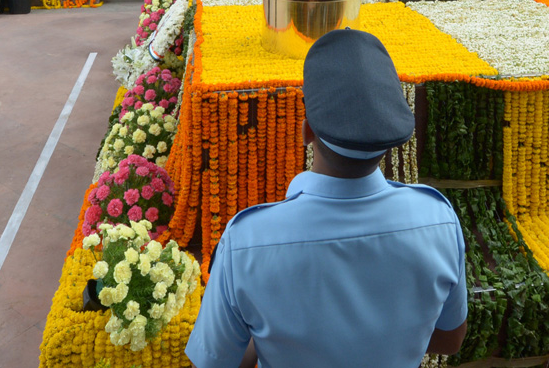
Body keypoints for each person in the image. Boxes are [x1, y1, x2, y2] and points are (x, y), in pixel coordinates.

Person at [185, 29, 467, 368]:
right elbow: (450, 339)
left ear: (307, 131)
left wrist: (268, 340)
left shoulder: (247, 241)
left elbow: (216, 363)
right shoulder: (437, 220)